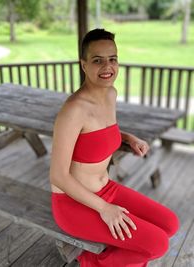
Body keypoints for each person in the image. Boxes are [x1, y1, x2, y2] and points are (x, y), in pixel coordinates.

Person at [50, 29, 179, 267]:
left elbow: (100, 132)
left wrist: (129, 138)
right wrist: (105, 209)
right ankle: (90, 261)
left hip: (107, 189)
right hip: (75, 203)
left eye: (113, 59)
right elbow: (58, 175)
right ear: (84, 65)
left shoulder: (110, 94)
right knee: (157, 244)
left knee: (170, 224)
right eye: (97, 60)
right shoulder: (73, 110)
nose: (107, 66)